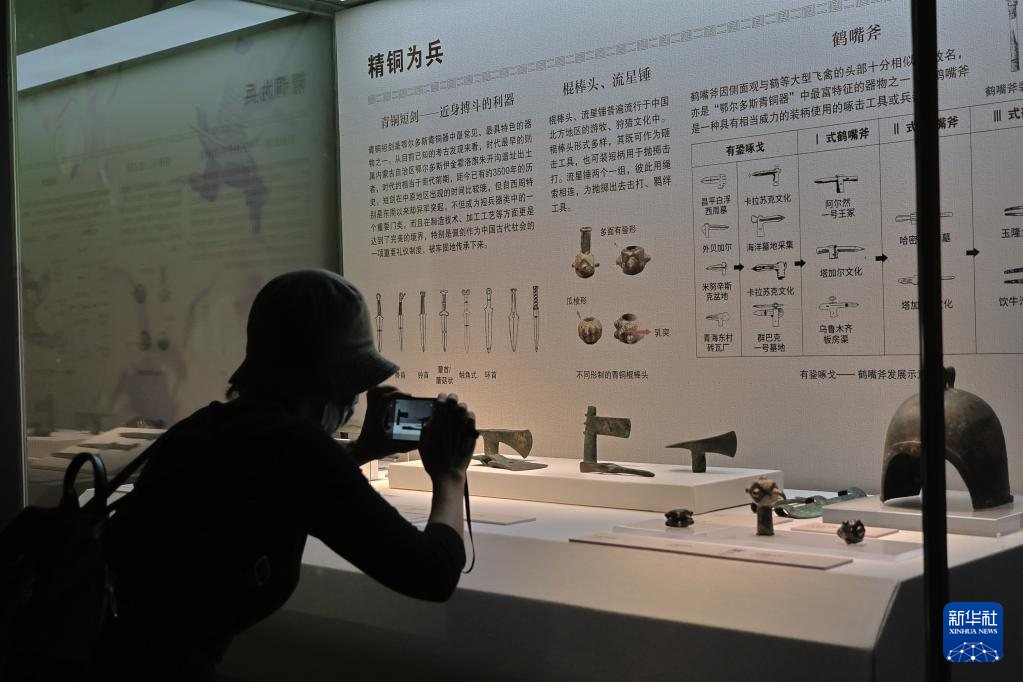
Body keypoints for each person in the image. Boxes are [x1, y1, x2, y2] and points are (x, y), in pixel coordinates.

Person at [98, 269, 476, 681]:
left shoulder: (204, 428)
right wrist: (450, 474)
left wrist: (361, 450)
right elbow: (432, 573)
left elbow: (274, 483)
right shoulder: (296, 448)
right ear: (329, 381)